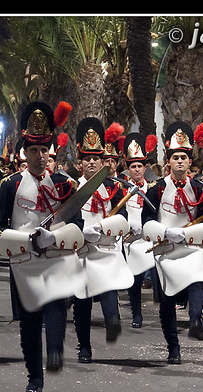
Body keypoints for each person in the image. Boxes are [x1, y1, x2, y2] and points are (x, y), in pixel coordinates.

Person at [0, 100, 84, 392]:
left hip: (56, 260)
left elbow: (78, 225)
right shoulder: (9, 185)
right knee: (29, 323)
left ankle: (55, 350)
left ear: (51, 152)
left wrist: (53, 239)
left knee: (56, 310)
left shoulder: (65, 185)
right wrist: (22, 241)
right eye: (34, 151)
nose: (40, 157)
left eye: (45, 150)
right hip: (23, 263)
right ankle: (34, 376)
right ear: (24, 153)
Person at [141, 121, 203, 364]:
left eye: (184, 157)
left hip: (192, 247)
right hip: (165, 249)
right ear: (169, 160)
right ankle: (173, 347)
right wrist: (165, 231)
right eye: (175, 157)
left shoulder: (201, 189)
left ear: (189, 161)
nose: (180, 162)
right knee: (166, 301)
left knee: (197, 280)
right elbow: (146, 221)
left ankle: (196, 320)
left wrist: (189, 234)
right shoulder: (156, 189)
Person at [72, 118, 132, 363]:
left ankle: (113, 323)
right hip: (82, 253)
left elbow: (124, 218)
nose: (92, 162)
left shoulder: (115, 188)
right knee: (82, 304)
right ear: (80, 163)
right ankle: (84, 347)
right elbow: (65, 220)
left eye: (96, 157)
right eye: (87, 158)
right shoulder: (72, 188)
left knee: (110, 305)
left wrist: (103, 227)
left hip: (107, 251)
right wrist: (83, 232)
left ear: (104, 160)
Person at [119, 132, 157, 328]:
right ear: (128, 168)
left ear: (145, 168)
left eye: (139, 166)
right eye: (133, 166)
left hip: (148, 239)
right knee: (134, 281)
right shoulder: (121, 189)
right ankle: (136, 313)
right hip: (128, 240)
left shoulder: (153, 188)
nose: (136, 170)